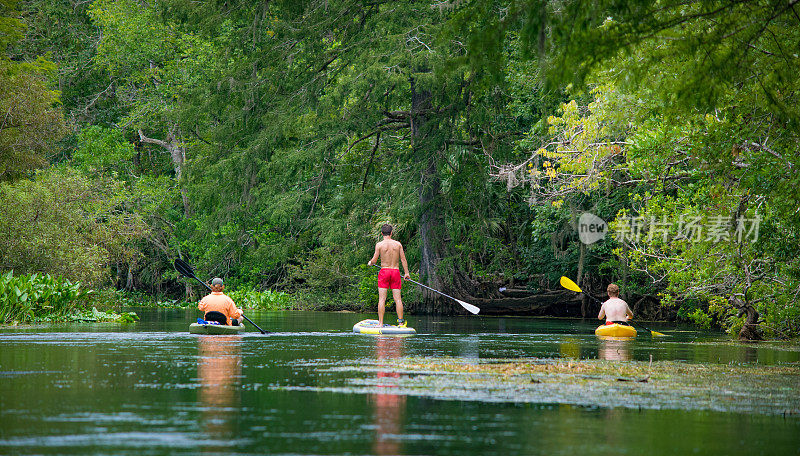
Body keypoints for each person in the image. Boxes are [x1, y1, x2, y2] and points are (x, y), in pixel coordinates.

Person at [367, 224, 411, 327]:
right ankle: (400, 323)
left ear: (382, 233)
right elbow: (403, 259)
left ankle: (381, 323)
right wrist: (407, 273)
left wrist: (370, 262)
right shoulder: (398, 244)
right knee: (398, 299)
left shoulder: (379, 245)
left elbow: (374, 260)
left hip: (384, 272)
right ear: (391, 233)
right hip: (395, 272)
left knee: (382, 299)